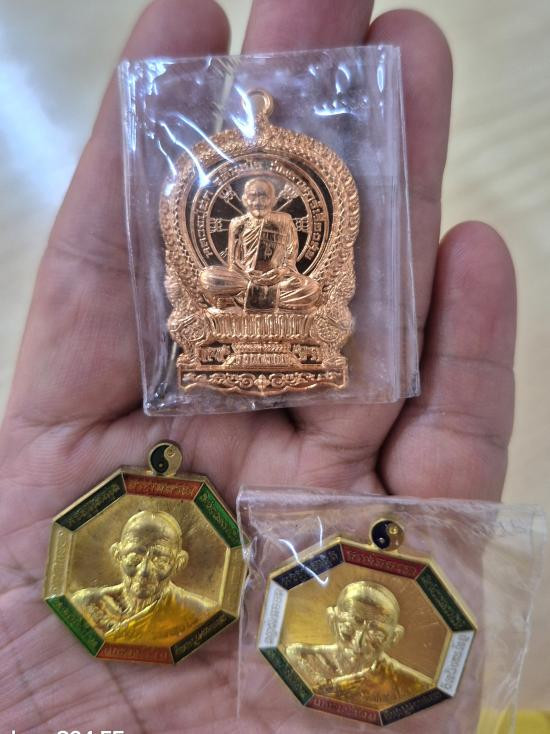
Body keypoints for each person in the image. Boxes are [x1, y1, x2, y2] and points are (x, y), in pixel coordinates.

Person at [0, 1, 517, 732]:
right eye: (250, 196)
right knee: (213, 281)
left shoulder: (277, 223)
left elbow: (299, 267)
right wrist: (238, 284)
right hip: (232, 304)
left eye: (268, 197)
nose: (259, 204)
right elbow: (222, 265)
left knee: (302, 291)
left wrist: (278, 285)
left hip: (289, 302)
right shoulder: (241, 222)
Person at [73, 510, 216, 646]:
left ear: (178, 562)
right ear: (118, 555)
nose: (144, 571)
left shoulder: (202, 613)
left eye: (160, 560)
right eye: (134, 557)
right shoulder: (85, 605)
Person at [286, 581, 431, 706]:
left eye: (376, 634)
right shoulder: (301, 659)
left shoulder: (413, 685)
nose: (359, 644)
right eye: (348, 626)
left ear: (394, 637)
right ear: (332, 620)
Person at [199, 177, 321, 311]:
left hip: (277, 280)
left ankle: (238, 300)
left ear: (273, 200)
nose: (258, 202)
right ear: (245, 200)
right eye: (253, 197)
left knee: (311, 289)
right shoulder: (238, 223)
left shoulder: (285, 221)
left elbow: (290, 259)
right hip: (245, 279)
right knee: (207, 277)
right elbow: (233, 262)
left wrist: (280, 272)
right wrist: (247, 274)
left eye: (264, 197)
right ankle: (270, 297)